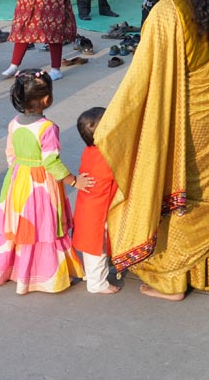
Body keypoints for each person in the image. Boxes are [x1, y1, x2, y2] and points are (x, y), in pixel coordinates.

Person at [94, 0, 209, 300]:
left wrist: (111, 124)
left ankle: (173, 279)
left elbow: (139, 82)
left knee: (182, 195)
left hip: (188, 115)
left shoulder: (164, 14)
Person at [0, 71, 87, 293]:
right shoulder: (47, 128)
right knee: (45, 225)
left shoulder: (14, 123)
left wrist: (18, 174)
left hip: (18, 179)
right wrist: (73, 181)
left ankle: (14, 272)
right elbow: (51, 162)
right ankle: (47, 277)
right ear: (46, 99)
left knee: (21, 224)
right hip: (41, 185)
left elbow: (10, 154)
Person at [72, 107, 120, 295]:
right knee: (96, 250)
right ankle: (97, 283)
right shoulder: (106, 156)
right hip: (98, 212)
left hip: (88, 207)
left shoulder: (90, 150)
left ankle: (93, 276)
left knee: (94, 249)